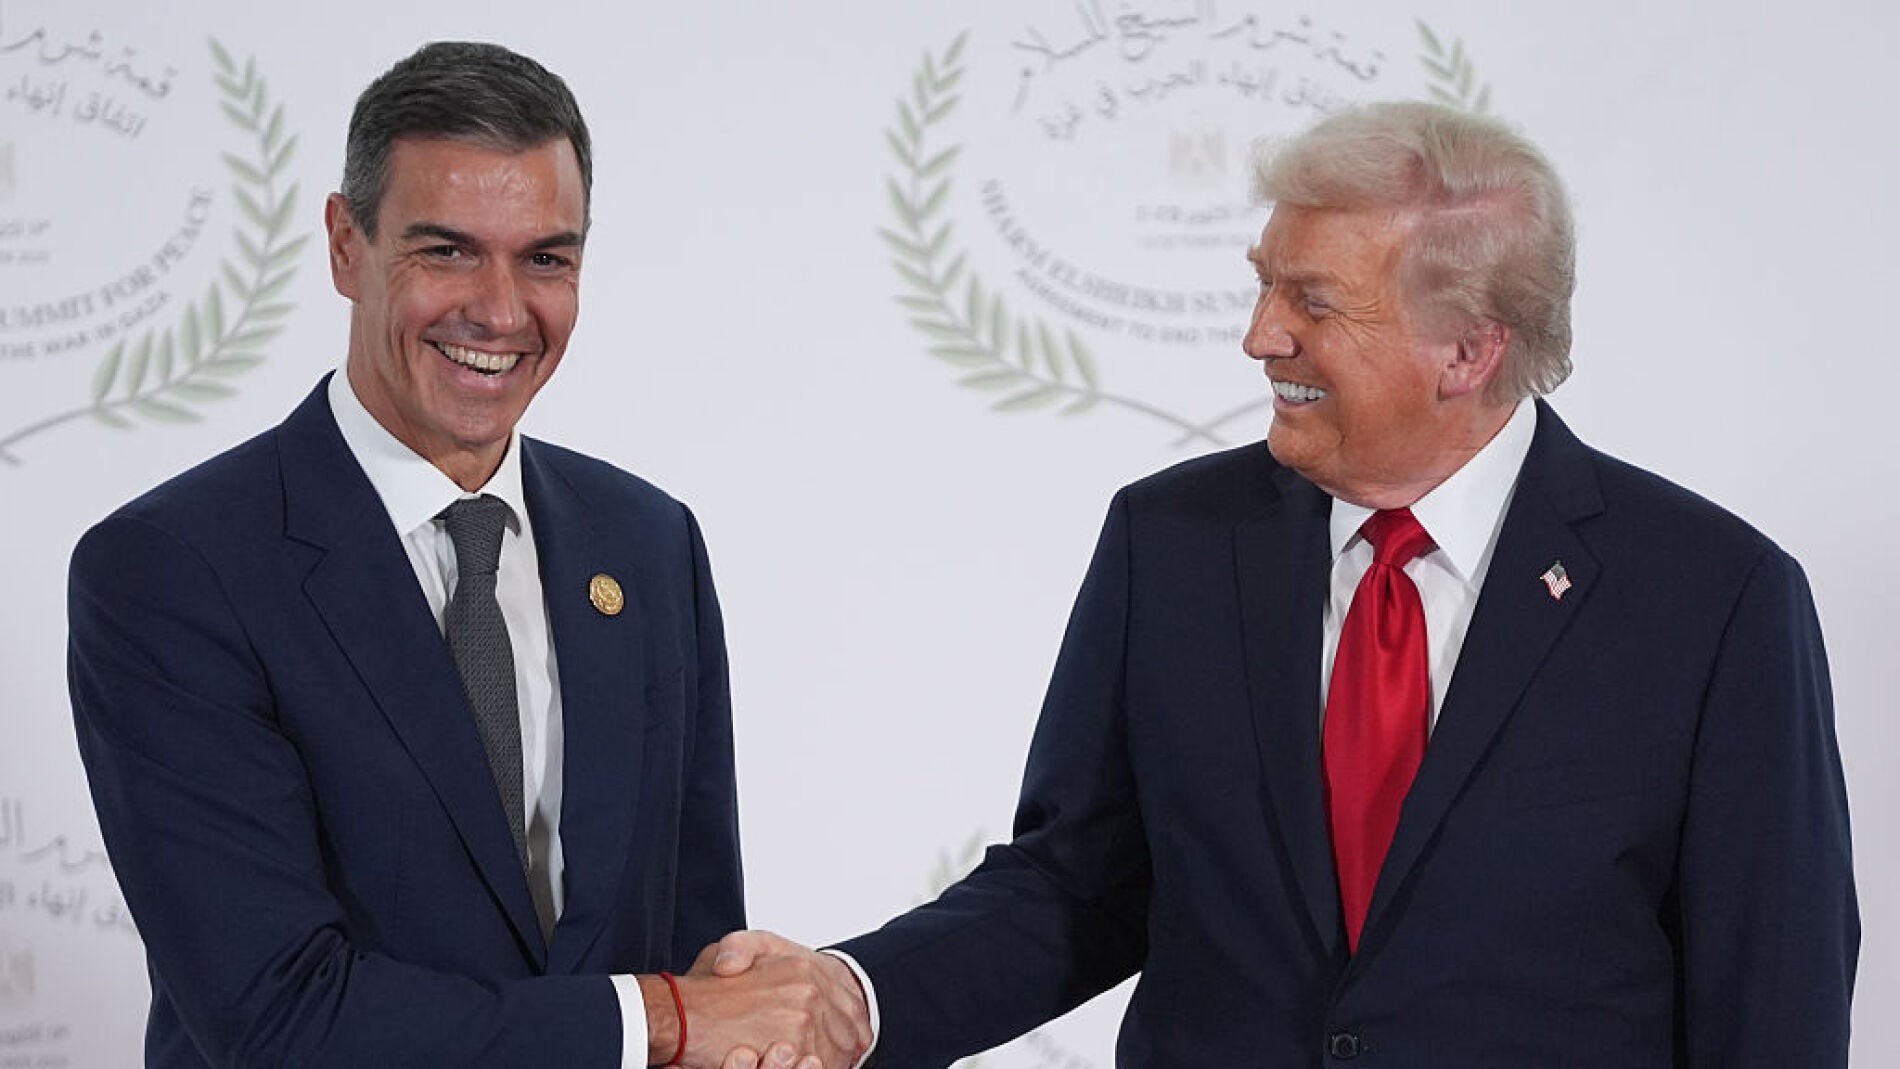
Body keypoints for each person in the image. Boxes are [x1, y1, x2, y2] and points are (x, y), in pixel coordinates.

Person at [714, 100, 1858, 1066]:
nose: (1260, 336)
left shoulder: (1711, 599)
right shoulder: (1171, 542)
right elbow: (1079, 886)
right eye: (1265, 286)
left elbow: (1772, 997)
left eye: (1312, 302)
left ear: (1468, 350)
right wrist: (853, 995)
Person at [68, 42, 867, 1069]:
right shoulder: (172, 571)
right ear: (345, 245)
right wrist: (660, 1018)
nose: (498, 310)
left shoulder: (649, 543)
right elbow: (277, 1021)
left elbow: (704, 957)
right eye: (446, 251)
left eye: (546, 259)